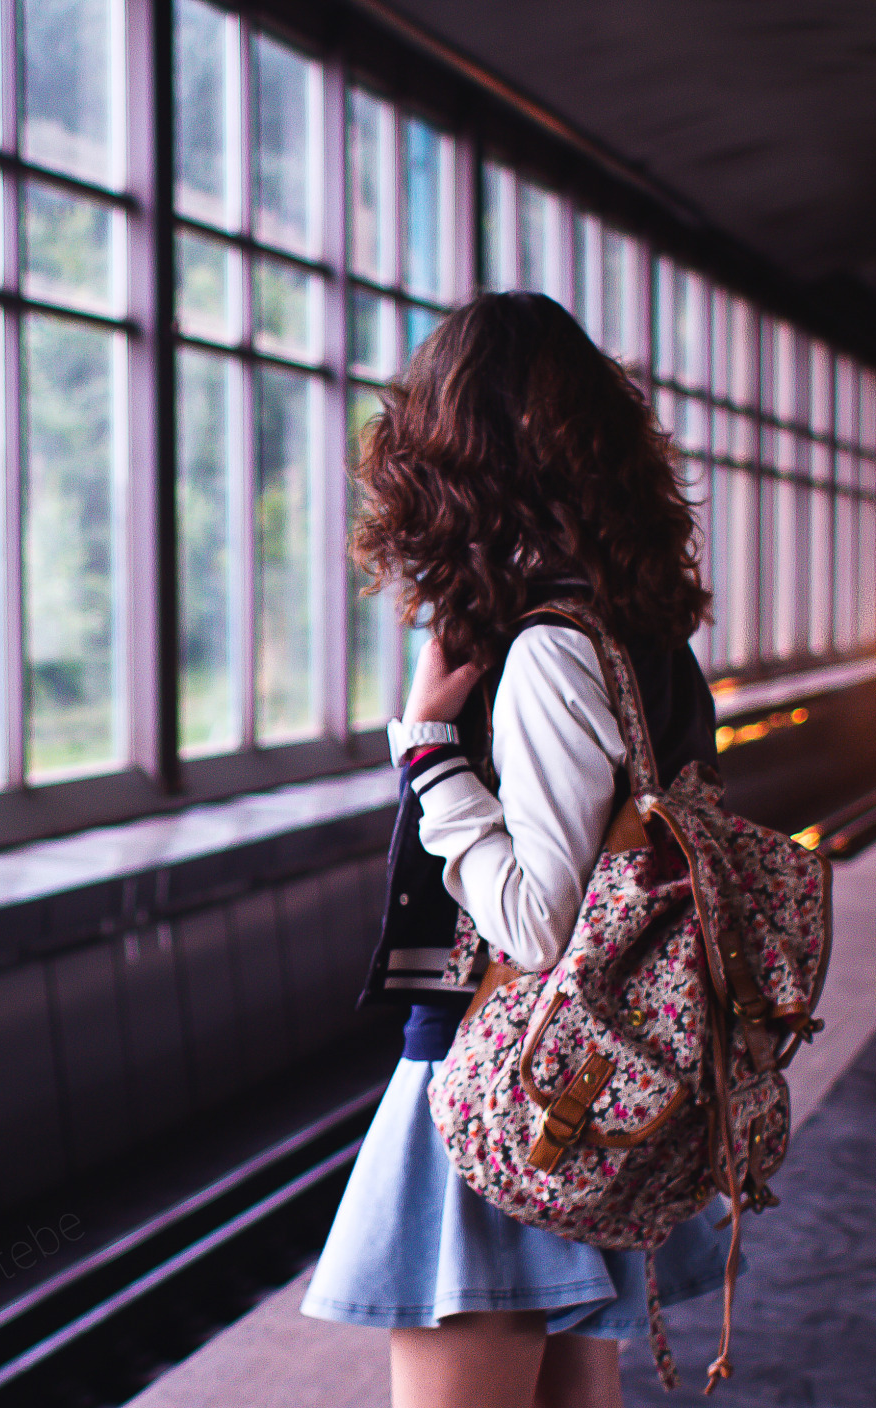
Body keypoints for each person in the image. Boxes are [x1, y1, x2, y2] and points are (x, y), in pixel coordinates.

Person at [300, 292, 735, 1408]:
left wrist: (430, 755)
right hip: (585, 1077)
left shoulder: (549, 653)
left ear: (455, 465)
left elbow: (538, 920)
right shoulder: (646, 637)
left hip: (508, 1082)